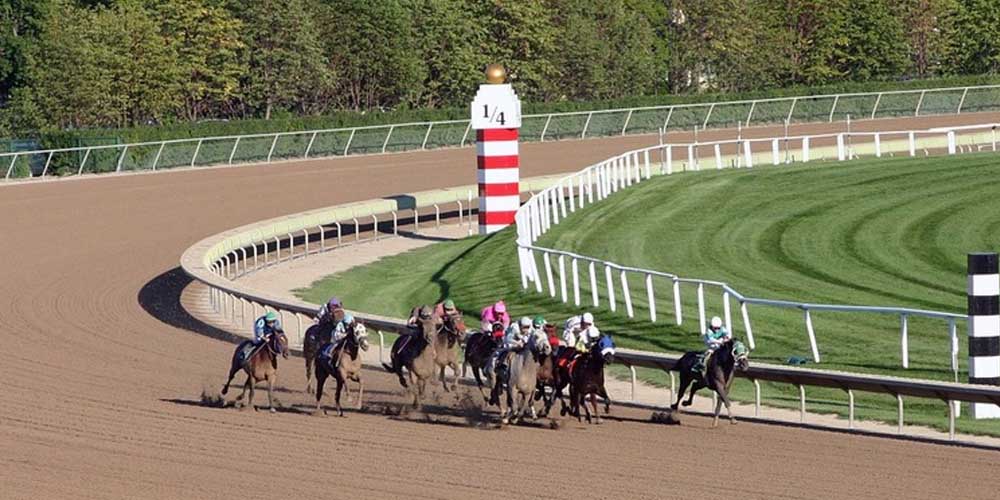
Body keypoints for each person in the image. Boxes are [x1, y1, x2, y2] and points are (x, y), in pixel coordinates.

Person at [488, 316, 533, 405]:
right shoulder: (514, 327)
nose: (526, 329)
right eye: (524, 327)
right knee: (511, 353)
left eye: (527, 327)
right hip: (509, 343)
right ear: (520, 325)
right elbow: (508, 339)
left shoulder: (530, 328)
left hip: (522, 345)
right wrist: (518, 343)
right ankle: (503, 364)